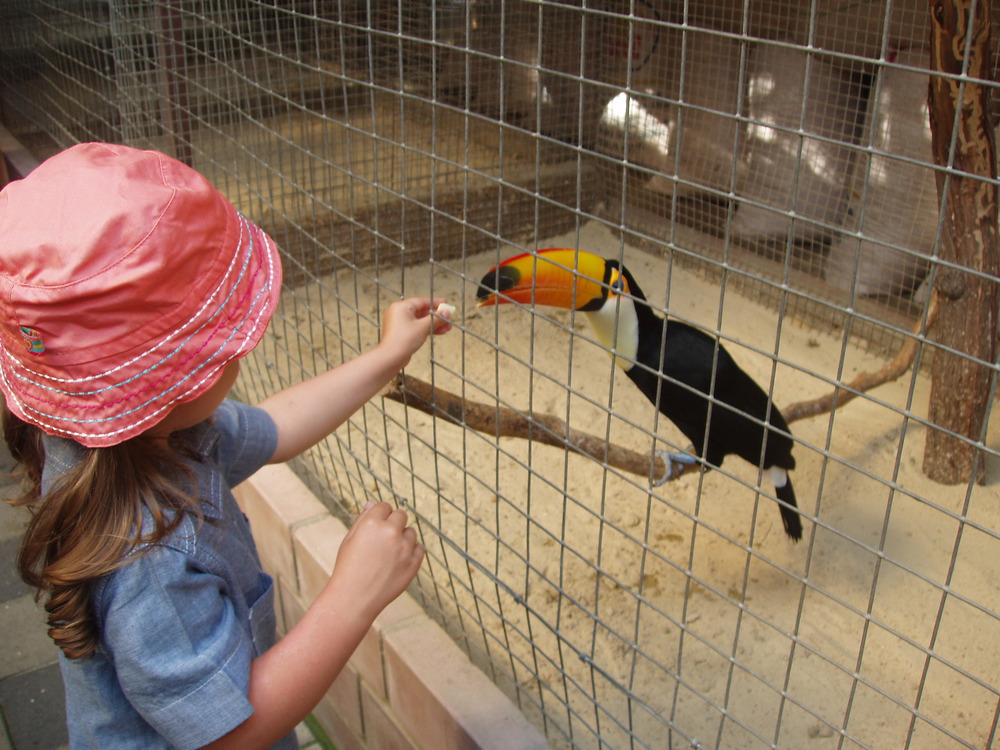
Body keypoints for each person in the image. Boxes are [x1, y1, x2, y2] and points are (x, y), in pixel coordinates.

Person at [0, 142, 453, 749]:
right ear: (176, 378)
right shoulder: (148, 561)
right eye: (225, 340)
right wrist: (353, 596)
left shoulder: (140, 435)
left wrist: (385, 358)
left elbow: (276, 427)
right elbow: (226, 737)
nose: (241, 349)